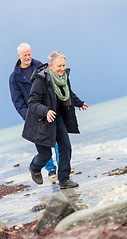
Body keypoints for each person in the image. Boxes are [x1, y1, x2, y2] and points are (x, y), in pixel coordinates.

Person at [22, 50, 88, 189]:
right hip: (41, 121)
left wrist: (79, 103)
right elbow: (32, 103)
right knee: (45, 155)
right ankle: (34, 168)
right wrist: (45, 111)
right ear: (50, 66)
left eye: (64, 65)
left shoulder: (63, 77)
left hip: (56, 118)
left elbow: (68, 93)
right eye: (59, 66)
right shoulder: (41, 80)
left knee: (66, 147)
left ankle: (64, 180)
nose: (62, 69)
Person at [9, 43, 59, 178]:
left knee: (58, 138)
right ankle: (51, 170)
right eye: (25, 55)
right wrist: (27, 116)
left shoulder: (41, 67)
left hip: (50, 109)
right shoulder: (14, 77)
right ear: (19, 56)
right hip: (34, 115)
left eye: (29, 54)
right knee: (44, 143)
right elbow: (17, 101)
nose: (28, 57)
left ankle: (63, 166)